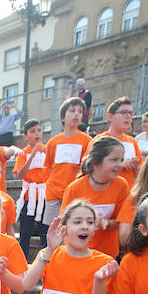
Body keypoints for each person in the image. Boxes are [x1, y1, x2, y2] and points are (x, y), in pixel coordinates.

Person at [61, 135, 129, 258]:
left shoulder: (121, 185)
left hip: (107, 255)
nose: (120, 164)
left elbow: (124, 221)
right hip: (78, 254)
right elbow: (64, 223)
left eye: (121, 160)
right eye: (114, 160)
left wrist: (107, 223)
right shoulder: (74, 188)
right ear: (96, 162)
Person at [44, 98, 90, 235]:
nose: (76, 114)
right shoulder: (53, 142)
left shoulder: (87, 141)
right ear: (63, 117)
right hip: (54, 193)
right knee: (50, 232)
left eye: (80, 112)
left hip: (75, 193)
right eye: (72, 111)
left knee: (70, 232)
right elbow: (50, 167)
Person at [86, 97, 141, 190]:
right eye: (124, 112)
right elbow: (88, 169)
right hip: (105, 194)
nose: (128, 116)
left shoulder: (132, 141)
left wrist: (136, 167)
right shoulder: (99, 141)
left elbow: (140, 172)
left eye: (131, 113)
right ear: (110, 117)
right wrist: (119, 164)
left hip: (128, 194)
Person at [14, 119, 50, 258]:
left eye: (39, 130)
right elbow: (20, 174)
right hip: (29, 196)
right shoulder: (23, 153)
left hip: (44, 195)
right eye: (32, 131)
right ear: (25, 136)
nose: (37, 134)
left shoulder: (48, 150)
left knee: (45, 232)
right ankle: (22, 261)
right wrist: (32, 154)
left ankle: (45, 262)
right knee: (25, 232)